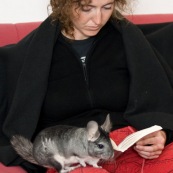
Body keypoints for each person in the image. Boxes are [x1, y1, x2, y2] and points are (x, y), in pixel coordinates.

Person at [1, 0, 173, 172]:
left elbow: (157, 99)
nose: (98, 19)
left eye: (107, 7)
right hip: (73, 154)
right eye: (86, 8)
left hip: (127, 145)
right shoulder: (34, 54)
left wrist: (161, 133)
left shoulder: (126, 40)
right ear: (64, 4)